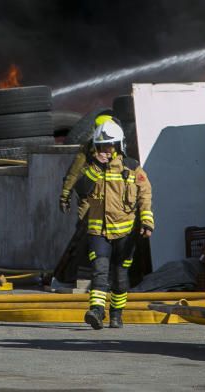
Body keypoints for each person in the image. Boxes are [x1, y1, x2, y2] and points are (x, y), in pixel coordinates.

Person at [79, 120, 153, 330]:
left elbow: (145, 195)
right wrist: (96, 167)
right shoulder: (92, 168)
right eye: (102, 146)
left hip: (125, 234)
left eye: (109, 145)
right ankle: (96, 311)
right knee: (99, 272)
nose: (106, 150)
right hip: (98, 232)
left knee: (120, 278)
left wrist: (147, 221)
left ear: (119, 146)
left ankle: (116, 314)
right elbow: (82, 190)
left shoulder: (132, 168)